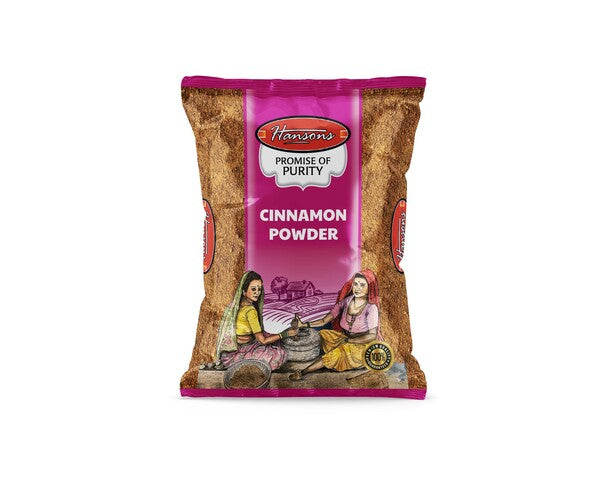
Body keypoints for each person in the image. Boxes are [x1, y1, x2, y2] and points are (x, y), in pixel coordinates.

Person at [289, 269, 381, 380]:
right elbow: (324, 321)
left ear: (369, 287)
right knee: (322, 334)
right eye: (355, 284)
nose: (357, 288)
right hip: (344, 337)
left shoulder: (371, 308)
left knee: (337, 353)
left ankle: (303, 372)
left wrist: (350, 341)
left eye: (362, 285)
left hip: (361, 346)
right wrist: (303, 325)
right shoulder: (346, 302)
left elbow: (372, 336)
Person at [216, 271, 297, 371]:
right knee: (279, 353)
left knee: (273, 340)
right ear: (244, 291)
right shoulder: (250, 310)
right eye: (253, 289)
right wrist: (285, 334)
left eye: (259, 289)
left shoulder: (234, 307)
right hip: (241, 352)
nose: (257, 292)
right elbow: (262, 341)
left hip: (228, 355)